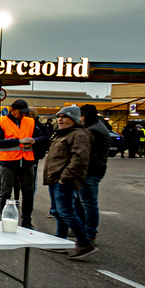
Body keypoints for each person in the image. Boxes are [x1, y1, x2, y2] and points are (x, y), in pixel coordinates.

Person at [44, 105, 96, 259]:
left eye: (64, 116)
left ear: (73, 119)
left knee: (66, 211)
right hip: (55, 179)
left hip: (64, 181)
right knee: (57, 211)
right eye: (58, 116)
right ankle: (60, 240)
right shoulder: (62, 134)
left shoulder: (78, 135)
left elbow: (80, 159)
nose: (60, 119)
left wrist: (65, 178)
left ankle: (84, 242)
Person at [0, 98, 46, 229]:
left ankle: (27, 222)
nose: (23, 114)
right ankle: (4, 221)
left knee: (28, 193)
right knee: (5, 193)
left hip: (27, 162)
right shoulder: (1, 122)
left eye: (25, 112)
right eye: (21, 112)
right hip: (8, 162)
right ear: (13, 110)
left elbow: (43, 137)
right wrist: (19, 141)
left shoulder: (30, 121)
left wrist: (35, 140)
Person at [78, 103, 110, 244]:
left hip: (90, 171)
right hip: (93, 170)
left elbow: (87, 154)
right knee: (83, 202)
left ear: (86, 116)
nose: (79, 119)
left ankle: (90, 233)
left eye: (81, 115)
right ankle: (85, 230)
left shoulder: (93, 131)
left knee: (88, 203)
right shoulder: (98, 126)